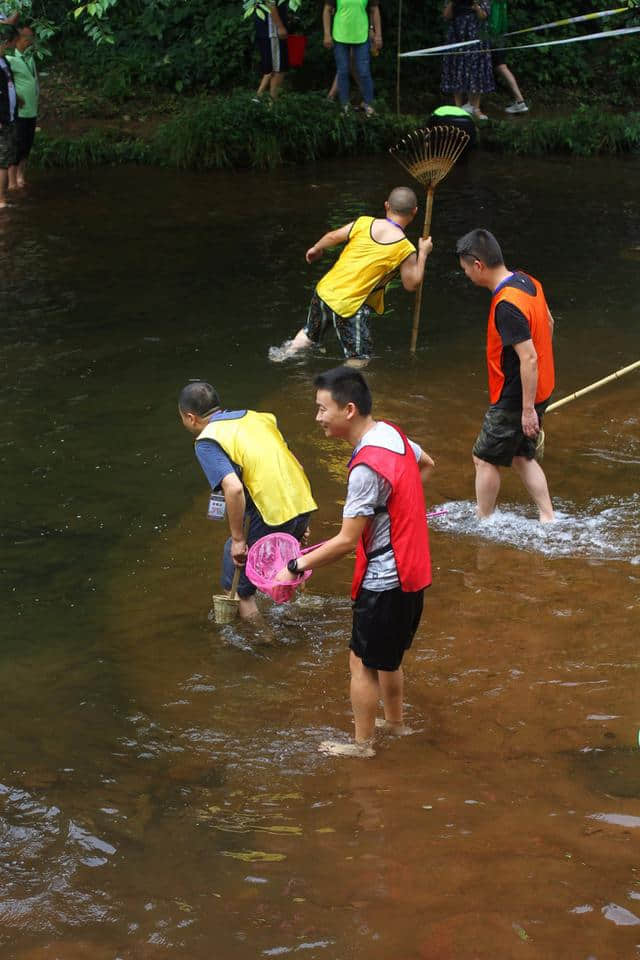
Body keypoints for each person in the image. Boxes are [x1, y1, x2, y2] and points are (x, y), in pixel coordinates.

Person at [276, 366, 434, 758]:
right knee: (389, 657)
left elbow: (347, 541)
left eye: (321, 409)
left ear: (348, 410)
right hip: (413, 574)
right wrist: (393, 510)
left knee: (361, 663)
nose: (317, 418)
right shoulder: (392, 435)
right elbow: (425, 463)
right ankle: (395, 725)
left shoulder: (364, 468)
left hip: (383, 581)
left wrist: (295, 565)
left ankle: (362, 746)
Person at [178, 380, 317, 621]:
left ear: (190, 417)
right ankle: (297, 617)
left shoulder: (207, 441)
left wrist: (238, 539)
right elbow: (295, 463)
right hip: (302, 502)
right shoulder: (258, 418)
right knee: (287, 565)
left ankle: (266, 642)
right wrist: (299, 517)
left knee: (237, 586)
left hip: (273, 514)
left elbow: (233, 489)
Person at [269, 186, 432, 366]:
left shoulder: (363, 223)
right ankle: (337, 388)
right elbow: (411, 285)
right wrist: (423, 253)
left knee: (309, 335)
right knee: (360, 359)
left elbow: (332, 236)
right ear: (415, 212)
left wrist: (316, 248)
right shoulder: (405, 249)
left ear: (386, 205)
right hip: (350, 305)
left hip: (324, 291)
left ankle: (285, 354)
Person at [456, 228, 555, 523]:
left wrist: (526, 412)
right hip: (540, 387)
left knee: (483, 457)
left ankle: (483, 521)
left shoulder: (506, 305)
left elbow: (528, 357)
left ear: (478, 265)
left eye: (465, 269)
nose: (466, 275)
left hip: (515, 397)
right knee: (522, 455)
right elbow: (548, 323)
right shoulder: (528, 281)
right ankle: (548, 517)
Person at [323, 0, 381, 116]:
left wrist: (378, 35)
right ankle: (345, 106)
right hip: (340, 36)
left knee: (364, 71)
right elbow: (327, 10)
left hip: (362, 37)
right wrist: (327, 34)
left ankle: (368, 104)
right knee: (343, 71)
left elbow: (374, 10)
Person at [440, 0, 494, 121]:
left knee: (477, 71)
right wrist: (452, 3)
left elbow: (484, 16)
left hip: (476, 37)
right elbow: (446, 16)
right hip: (457, 36)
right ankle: (458, 108)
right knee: (456, 69)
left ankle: (475, 108)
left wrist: (476, 6)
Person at [7, 24, 38, 189]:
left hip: (32, 110)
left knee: (27, 146)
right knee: (16, 147)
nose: (30, 41)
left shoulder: (30, 57)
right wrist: (15, 96)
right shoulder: (10, 59)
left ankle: (21, 178)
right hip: (18, 112)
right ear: (19, 38)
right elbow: (5, 80)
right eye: (28, 38)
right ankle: (12, 183)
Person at [253, 0, 289, 101]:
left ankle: (260, 98)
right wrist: (280, 26)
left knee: (273, 67)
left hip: (267, 28)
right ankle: (272, 104)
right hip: (272, 30)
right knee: (278, 68)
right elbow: (270, 4)